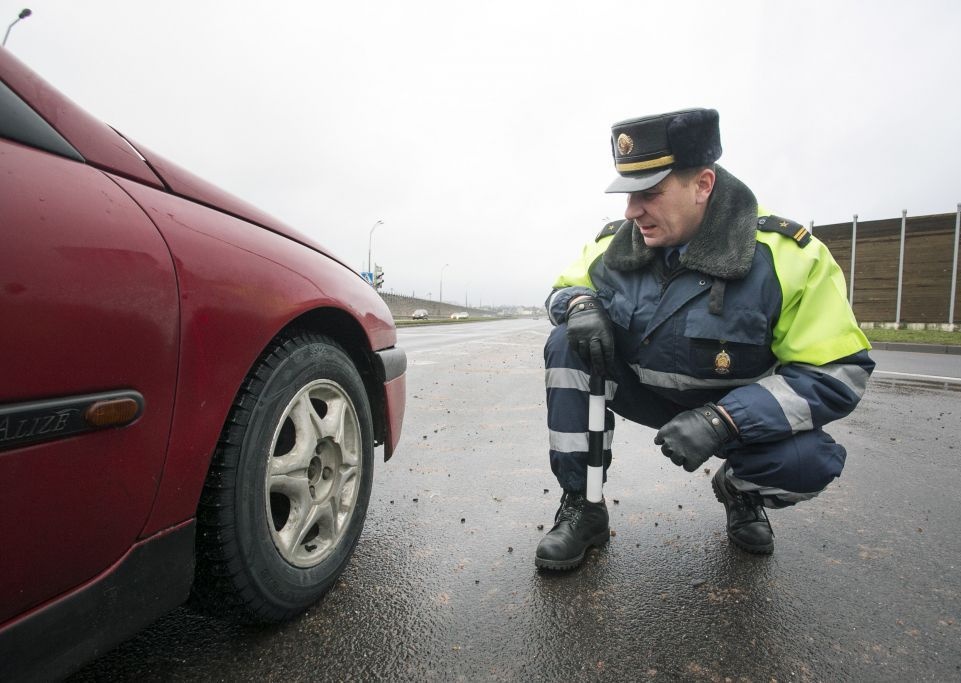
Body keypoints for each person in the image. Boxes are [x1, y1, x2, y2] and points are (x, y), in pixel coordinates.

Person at [536, 108, 874, 570]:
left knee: (808, 463)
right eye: (628, 195)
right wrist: (578, 306)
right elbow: (563, 289)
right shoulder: (614, 244)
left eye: (650, 194)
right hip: (647, 394)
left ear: (703, 186)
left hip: (733, 414)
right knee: (564, 344)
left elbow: (839, 371)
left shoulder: (788, 257)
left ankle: (741, 491)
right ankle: (583, 505)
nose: (632, 212)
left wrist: (725, 421)